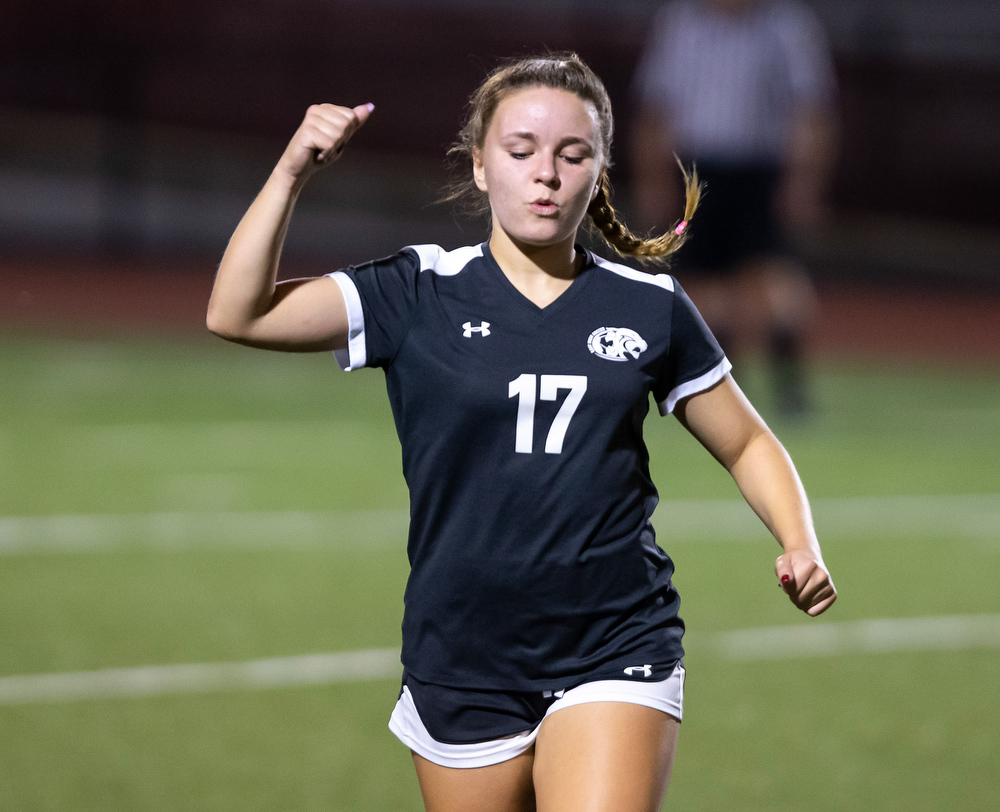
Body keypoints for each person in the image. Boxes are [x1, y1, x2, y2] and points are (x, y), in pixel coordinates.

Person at [207, 53, 836, 812]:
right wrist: (292, 171)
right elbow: (236, 313)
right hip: (461, 655)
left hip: (616, 642)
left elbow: (746, 442)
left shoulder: (649, 305)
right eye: (521, 151)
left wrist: (799, 540)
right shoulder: (417, 289)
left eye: (572, 156)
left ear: (598, 171)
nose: (546, 174)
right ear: (479, 167)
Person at [631, 0, 839, 417]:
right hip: (696, 168)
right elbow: (655, 106)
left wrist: (804, 179)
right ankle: (720, 389)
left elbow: (811, 108)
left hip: (760, 172)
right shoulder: (681, 23)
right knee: (704, 287)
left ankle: (790, 389)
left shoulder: (785, 25)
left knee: (774, 281)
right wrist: (653, 177)